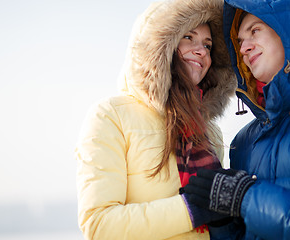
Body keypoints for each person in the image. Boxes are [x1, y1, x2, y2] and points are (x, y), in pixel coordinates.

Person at [75, 0, 237, 239]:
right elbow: (99, 224)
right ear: (161, 45)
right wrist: (192, 209)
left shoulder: (210, 133)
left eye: (208, 45)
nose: (201, 51)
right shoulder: (111, 116)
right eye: (188, 37)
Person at [183, 0, 290, 239]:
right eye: (240, 42)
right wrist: (223, 219)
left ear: (289, 33)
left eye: (255, 31)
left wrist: (246, 198)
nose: (244, 48)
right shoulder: (243, 142)